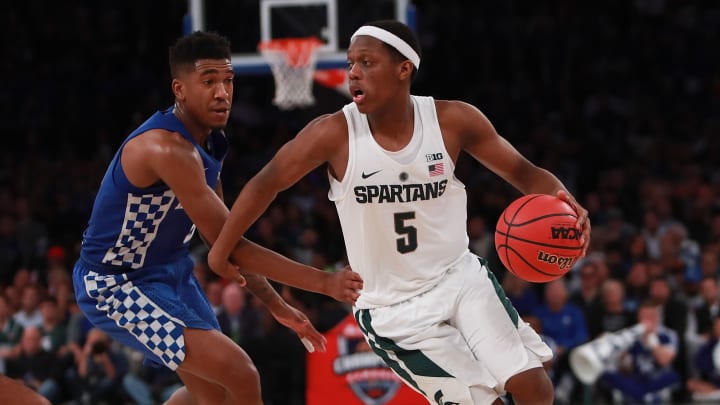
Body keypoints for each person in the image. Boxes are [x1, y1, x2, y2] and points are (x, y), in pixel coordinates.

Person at [209, 20, 591, 405]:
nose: (353, 72)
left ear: (403, 69)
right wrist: (221, 250)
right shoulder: (334, 133)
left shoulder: (453, 121)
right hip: (393, 309)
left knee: (535, 388)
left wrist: (565, 202)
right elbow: (265, 182)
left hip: (458, 277)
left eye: (367, 62)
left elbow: (524, 172)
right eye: (350, 63)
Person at [72, 31, 363, 405]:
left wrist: (277, 306)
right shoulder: (165, 148)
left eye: (228, 81)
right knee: (240, 374)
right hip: (115, 284)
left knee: (212, 394)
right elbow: (236, 248)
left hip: (169, 272)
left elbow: (225, 239)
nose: (222, 92)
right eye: (208, 81)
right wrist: (324, 284)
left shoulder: (208, 145)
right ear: (179, 89)